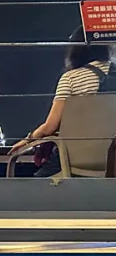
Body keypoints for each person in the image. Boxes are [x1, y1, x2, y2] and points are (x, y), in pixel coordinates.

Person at [10, 26, 114, 176]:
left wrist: (28, 140)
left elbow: (50, 126)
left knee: (36, 185)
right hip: (113, 159)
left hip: (75, 159)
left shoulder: (70, 78)